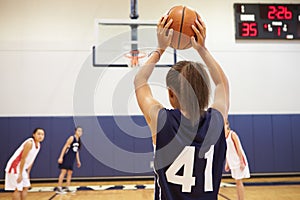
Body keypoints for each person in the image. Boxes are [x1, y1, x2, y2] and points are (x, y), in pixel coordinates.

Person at [134, 14, 229, 200]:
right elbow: (222, 85)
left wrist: (160, 49)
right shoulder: (217, 121)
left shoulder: (162, 121)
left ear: (171, 94)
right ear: (204, 89)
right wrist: (202, 49)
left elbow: (140, 81)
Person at [4, 128, 45, 200]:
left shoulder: (38, 145)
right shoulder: (30, 143)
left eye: (42, 134)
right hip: (15, 166)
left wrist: (28, 172)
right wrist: (20, 174)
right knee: (18, 188)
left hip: (22, 168)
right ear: (34, 134)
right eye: (38, 134)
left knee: (26, 187)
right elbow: (23, 158)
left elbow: (31, 160)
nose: (40, 136)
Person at [224, 120, 250, 200]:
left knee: (239, 182)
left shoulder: (232, 134)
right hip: (232, 162)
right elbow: (227, 151)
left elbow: (239, 149)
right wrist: (227, 163)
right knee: (237, 181)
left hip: (238, 161)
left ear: (227, 125)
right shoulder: (223, 137)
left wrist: (241, 162)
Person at [56, 126, 82, 194]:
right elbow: (65, 147)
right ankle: (59, 187)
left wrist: (78, 161)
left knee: (70, 173)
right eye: (78, 131)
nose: (80, 132)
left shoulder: (78, 140)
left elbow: (76, 151)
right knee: (63, 172)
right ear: (75, 131)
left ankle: (67, 187)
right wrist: (61, 157)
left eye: (81, 131)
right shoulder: (72, 138)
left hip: (72, 158)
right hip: (67, 157)